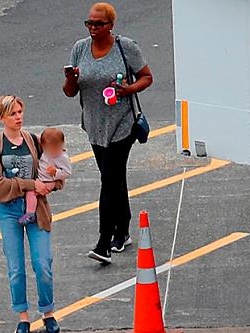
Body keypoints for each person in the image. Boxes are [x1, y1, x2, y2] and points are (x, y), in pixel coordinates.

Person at [62, 2, 153, 264]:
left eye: (98, 24)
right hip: (94, 125)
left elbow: (147, 77)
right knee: (113, 178)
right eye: (89, 23)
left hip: (121, 125)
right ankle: (123, 230)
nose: (93, 28)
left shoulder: (126, 47)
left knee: (109, 181)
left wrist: (128, 90)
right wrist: (72, 78)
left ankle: (104, 242)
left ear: (111, 25)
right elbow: (70, 92)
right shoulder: (80, 48)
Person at [0, 95, 63, 333]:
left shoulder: (34, 141)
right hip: (8, 210)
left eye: (20, 112)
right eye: (12, 114)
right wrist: (30, 185)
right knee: (16, 268)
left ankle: (48, 312)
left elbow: (58, 168)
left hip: (36, 208)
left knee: (43, 262)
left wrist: (51, 184)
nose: (18, 117)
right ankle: (23, 316)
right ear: (1, 118)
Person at [19, 128, 72, 225]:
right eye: (51, 149)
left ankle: (30, 214)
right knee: (30, 192)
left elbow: (67, 172)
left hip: (49, 181)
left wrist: (56, 172)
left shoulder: (62, 157)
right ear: (43, 146)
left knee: (31, 193)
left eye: (57, 148)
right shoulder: (45, 151)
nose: (54, 151)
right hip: (41, 178)